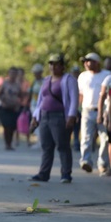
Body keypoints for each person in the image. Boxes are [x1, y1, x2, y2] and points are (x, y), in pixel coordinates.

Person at [29, 53, 79, 183]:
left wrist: (72, 116)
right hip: (45, 116)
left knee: (62, 145)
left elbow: (74, 99)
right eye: (51, 64)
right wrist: (36, 117)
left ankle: (66, 174)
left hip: (60, 117)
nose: (53, 66)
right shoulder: (46, 80)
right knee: (46, 146)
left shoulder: (68, 79)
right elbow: (41, 100)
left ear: (62, 66)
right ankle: (44, 173)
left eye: (56, 64)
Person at [77, 52, 111, 175]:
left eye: (89, 61)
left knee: (105, 138)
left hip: (103, 111)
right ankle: (86, 160)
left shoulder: (107, 75)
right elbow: (80, 94)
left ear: (97, 63)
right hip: (87, 110)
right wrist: (77, 110)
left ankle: (102, 163)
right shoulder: (82, 76)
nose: (86, 64)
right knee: (86, 137)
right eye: (85, 61)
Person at [0, 67, 22, 150]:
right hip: (4, 108)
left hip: (14, 108)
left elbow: (20, 95)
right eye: (11, 73)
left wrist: (18, 104)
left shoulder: (17, 85)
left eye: (15, 73)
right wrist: (3, 101)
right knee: (6, 126)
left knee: (12, 127)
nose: (13, 75)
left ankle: (10, 143)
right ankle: (7, 143)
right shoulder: (5, 83)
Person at [26, 63, 45, 147]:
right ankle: (39, 141)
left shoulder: (45, 81)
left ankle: (42, 141)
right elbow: (29, 93)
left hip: (43, 105)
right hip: (34, 106)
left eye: (37, 72)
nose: (36, 74)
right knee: (35, 123)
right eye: (35, 72)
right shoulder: (33, 82)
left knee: (41, 123)